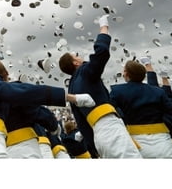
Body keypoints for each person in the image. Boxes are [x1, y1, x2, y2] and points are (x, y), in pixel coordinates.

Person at [58, 14, 142, 158]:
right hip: (109, 128)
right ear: (75, 63)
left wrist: (92, 147)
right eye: (76, 56)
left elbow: (82, 124)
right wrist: (104, 27)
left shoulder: (71, 87)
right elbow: (101, 53)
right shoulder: (84, 72)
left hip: (99, 136)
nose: (79, 57)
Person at [110, 59, 172, 159]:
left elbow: (112, 115)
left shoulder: (117, 91)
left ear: (126, 74)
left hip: (135, 143)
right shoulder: (158, 92)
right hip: (163, 142)